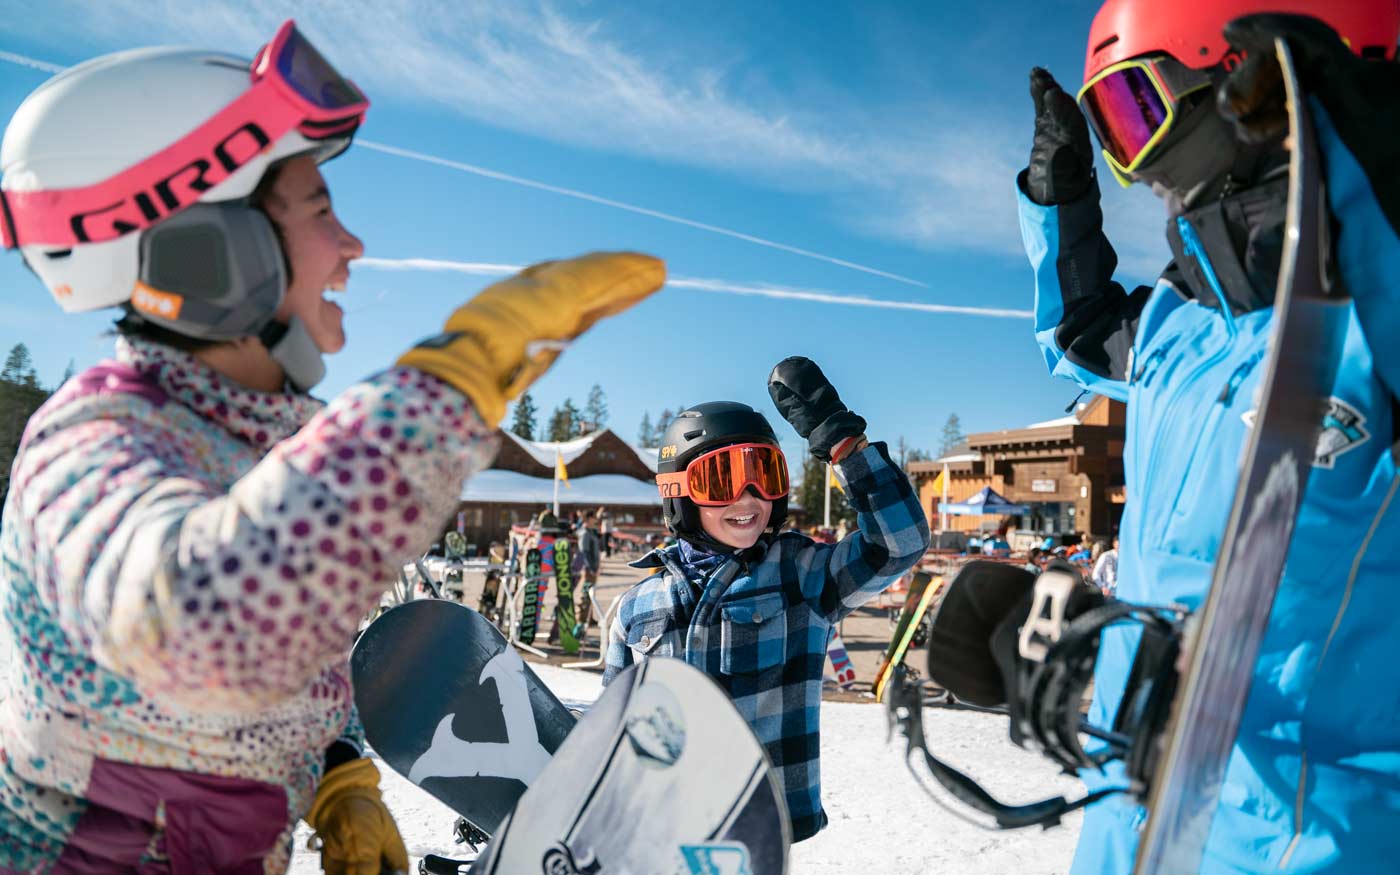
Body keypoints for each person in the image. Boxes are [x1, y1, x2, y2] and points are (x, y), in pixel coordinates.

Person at [0, 21, 664, 872]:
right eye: (319, 209)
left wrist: (337, 770)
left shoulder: (244, 446)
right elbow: (204, 627)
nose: (351, 246)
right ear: (213, 252)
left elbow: (282, 647)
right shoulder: (90, 446)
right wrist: (441, 393)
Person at [1005, 1, 1400, 872]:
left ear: (1246, 80)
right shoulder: (1178, 325)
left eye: (1136, 113)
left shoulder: (1375, 316)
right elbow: (1082, 333)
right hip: (1132, 829)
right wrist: (1060, 203)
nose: (1130, 166)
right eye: (1107, 132)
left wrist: (1365, 167)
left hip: (1312, 845)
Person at [602, 358, 930, 842]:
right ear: (678, 493)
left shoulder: (800, 577)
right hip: (664, 830)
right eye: (721, 480)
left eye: (765, 475)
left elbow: (898, 543)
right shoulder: (637, 608)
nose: (749, 497)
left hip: (760, 831)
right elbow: (611, 731)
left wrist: (845, 446)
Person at [576, 511, 603, 630]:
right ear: (588, 519)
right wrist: (592, 568)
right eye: (593, 518)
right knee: (585, 595)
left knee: (591, 594)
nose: (595, 519)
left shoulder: (592, 532)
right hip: (588, 570)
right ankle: (580, 621)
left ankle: (589, 618)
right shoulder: (585, 533)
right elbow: (584, 552)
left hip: (593, 569)